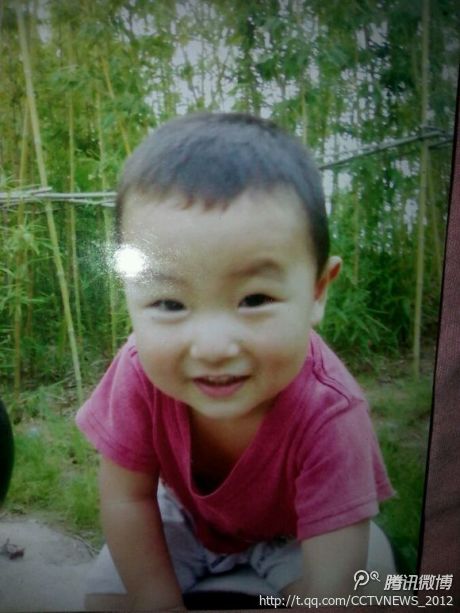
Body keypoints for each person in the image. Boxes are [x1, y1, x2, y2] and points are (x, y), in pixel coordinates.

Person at [76, 112, 395, 611]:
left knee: (364, 596)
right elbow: (127, 498)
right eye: (169, 303)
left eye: (254, 299)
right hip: (181, 519)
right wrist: (157, 601)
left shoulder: (330, 410)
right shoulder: (138, 373)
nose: (213, 346)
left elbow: (330, 587)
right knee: (108, 603)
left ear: (317, 292)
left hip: (297, 529)